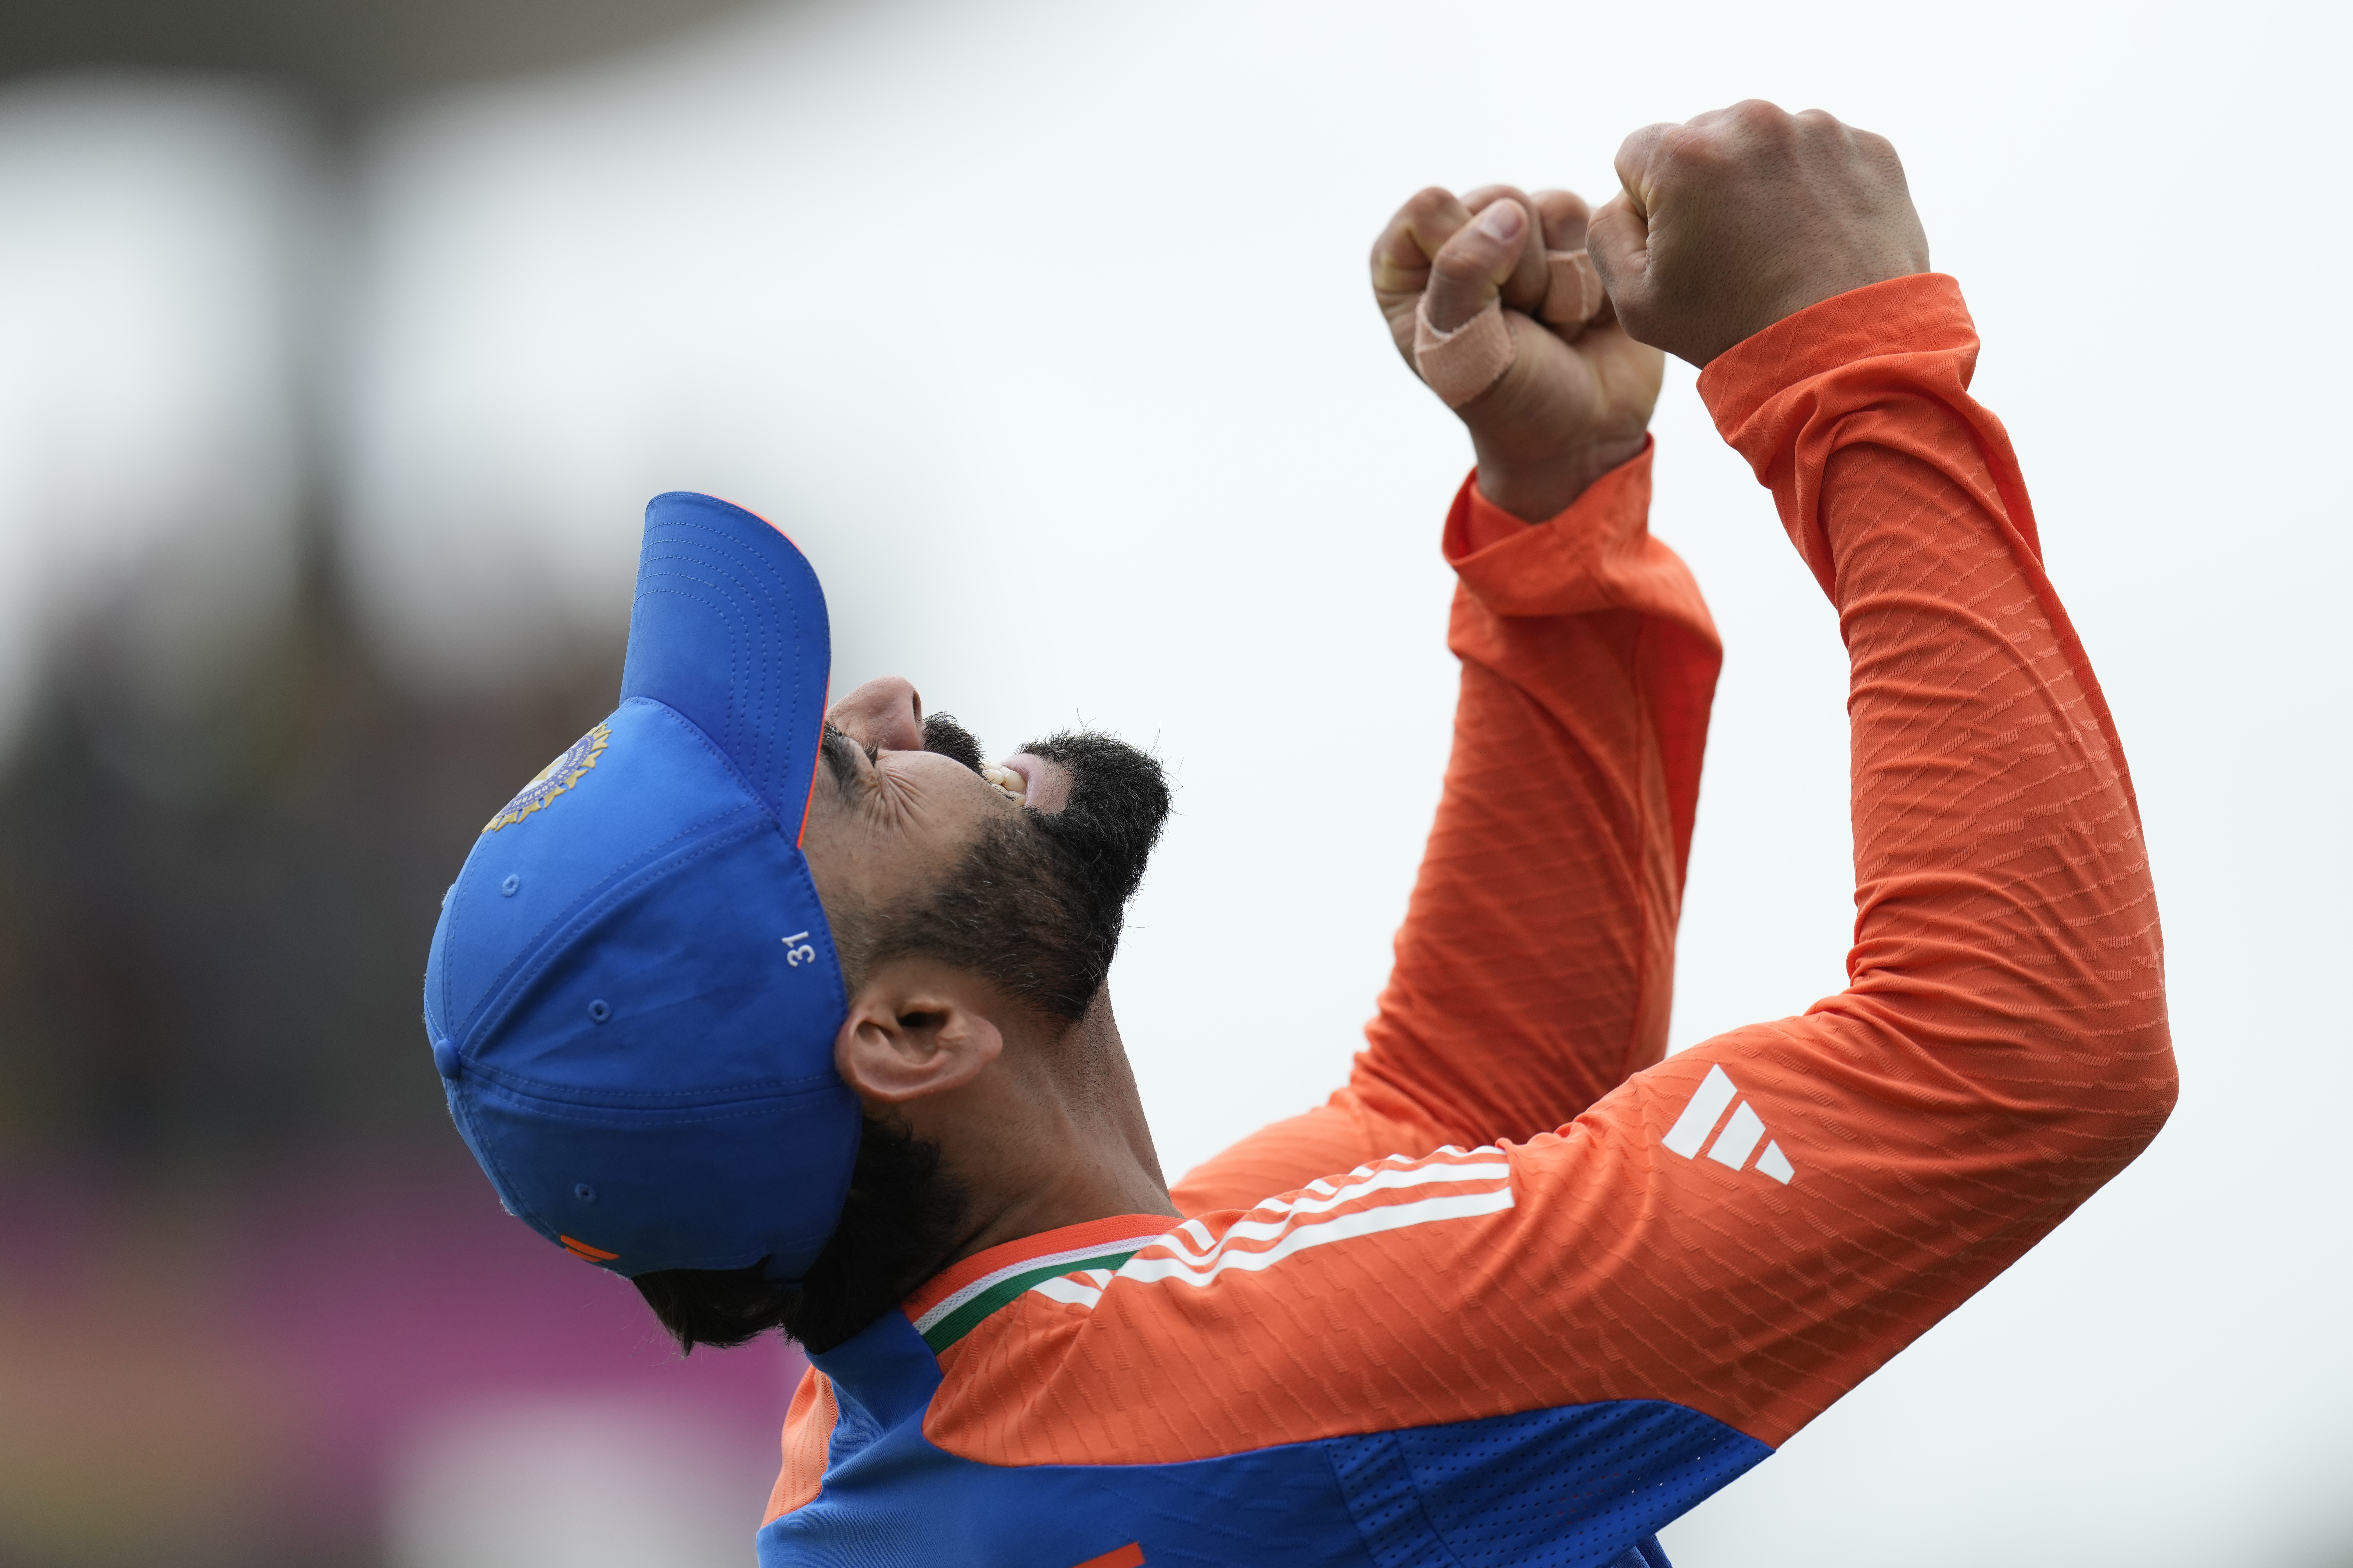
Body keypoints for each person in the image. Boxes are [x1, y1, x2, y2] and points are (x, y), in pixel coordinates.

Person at [421, 101, 2175, 1568]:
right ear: (910, 1034)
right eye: (854, 781)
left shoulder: (906, 1404)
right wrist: (1842, 360)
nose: (891, 704)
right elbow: (2019, 1051)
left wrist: (1551, 528)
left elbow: (1456, 1124)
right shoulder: (1195, 1402)